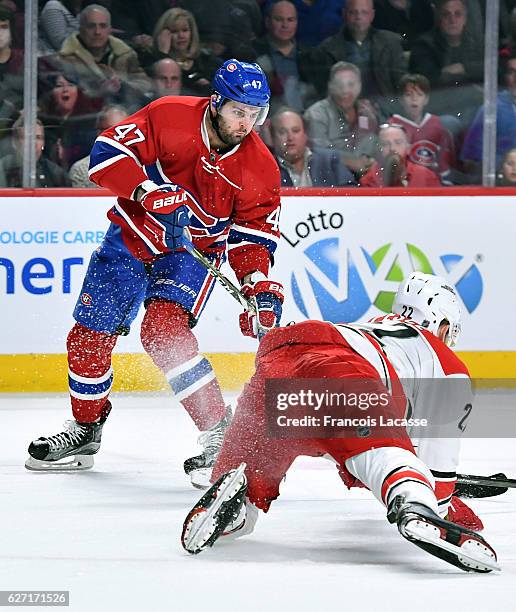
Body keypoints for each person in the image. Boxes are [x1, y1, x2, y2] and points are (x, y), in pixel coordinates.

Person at [25, 60, 284, 490]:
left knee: (163, 331)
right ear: (217, 102)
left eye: (256, 113)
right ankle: (86, 429)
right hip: (132, 236)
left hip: (191, 252)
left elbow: (253, 238)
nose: (247, 123)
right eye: (239, 111)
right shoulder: (169, 116)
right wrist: (147, 191)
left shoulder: (260, 167)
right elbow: (105, 155)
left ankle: (222, 434)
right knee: (90, 335)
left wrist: (257, 284)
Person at [181, 272, 499, 573]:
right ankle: (414, 504)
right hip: (337, 369)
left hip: (283, 358)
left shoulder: (375, 329)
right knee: (384, 454)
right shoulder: (443, 361)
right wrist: (448, 506)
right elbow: (437, 479)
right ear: (441, 323)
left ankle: (238, 508)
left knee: (256, 473)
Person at [300, 0, 406, 117]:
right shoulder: (326, 49)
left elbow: (401, 83)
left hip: (388, 111)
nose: (358, 17)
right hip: (344, 114)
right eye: (353, 12)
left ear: (372, 15)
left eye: (364, 12)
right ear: (344, 14)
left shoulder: (391, 43)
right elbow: (325, 92)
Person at [409, 0, 484, 134]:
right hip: (440, 109)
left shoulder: (477, 43)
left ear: (465, 18)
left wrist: (463, 68)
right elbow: (430, 80)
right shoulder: (424, 45)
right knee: (451, 123)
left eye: (458, 14)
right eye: (446, 14)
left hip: (472, 107)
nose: (452, 19)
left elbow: (496, 70)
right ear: (439, 18)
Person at [59, 4, 151, 108]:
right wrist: (97, 92)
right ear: (81, 29)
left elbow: (143, 82)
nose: (97, 32)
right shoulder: (67, 58)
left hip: (124, 111)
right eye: (91, 26)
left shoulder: (125, 54)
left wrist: (122, 86)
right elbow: (64, 96)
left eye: (103, 26)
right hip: (86, 114)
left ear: (110, 29)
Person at [304, 61, 378, 178]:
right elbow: (317, 151)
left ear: (359, 86)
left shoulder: (368, 113)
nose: (345, 91)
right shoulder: (316, 114)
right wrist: (351, 161)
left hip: (368, 178)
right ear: (330, 86)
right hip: (331, 179)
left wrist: (368, 160)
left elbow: (375, 143)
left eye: (351, 84)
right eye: (339, 85)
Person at [388, 73, 456, 184]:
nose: (414, 99)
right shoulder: (392, 127)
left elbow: (444, 164)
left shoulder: (438, 125)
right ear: (400, 99)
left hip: (434, 187)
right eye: (408, 94)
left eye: (419, 94)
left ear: (426, 99)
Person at [139, 8, 222, 97]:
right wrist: (162, 53)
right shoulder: (149, 59)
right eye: (174, 31)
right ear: (163, 34)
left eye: (185, 30)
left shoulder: (205, 60)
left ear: (192, 33)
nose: (181, 36)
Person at [254, 0, 316, 112]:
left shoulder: (310, 55)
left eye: (290, 20)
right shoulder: (252, 53)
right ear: (267, 22)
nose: (285, 25)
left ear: (297, 23)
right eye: (279, 19)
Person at [461, 54, 516, 176]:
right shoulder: (491, 109)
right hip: (501, 181)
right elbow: (472, 157)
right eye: (512, 72)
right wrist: (504, 167)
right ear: (506, 77)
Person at [271, 106, 356, 186]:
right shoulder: (266, 169)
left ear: (305, 135)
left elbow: (352, 194)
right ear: (273, 138)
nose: (290, 137)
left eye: (296, 131)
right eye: (282, 132)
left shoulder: (330, 161)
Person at [360, 123, 441, 187]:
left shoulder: (426, 176)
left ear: (408, 148)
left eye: (398, 143)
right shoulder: (368, 181)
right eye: (385, 144)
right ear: (378, 150)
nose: (392, 148)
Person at [68, 104, 129, 187]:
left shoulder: (145, 166)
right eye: (114, 129)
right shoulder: (82, 170)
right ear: (99, 133)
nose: (121, 135)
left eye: (125, 129)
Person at [0, 115, 69, 187]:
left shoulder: (56, 175)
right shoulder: (2, 169)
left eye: (38, 138)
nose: (34, 143)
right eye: (27, 137)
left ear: (44, 142)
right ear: (14, 142)